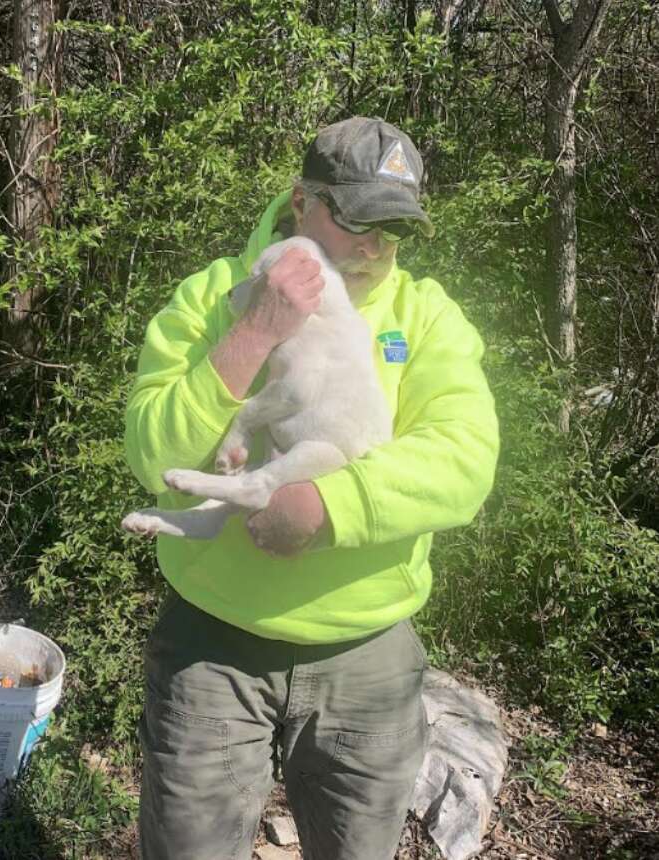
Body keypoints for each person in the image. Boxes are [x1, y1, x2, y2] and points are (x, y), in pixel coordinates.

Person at [125, 116, 500, 860]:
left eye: (394, 229)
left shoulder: (424, 318)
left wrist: (327, 505)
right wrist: (255, 330)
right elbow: (150, 453)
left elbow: (465, 460)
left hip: (368, 660)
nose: (373, 248)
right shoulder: (212, 296)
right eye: (358, 218)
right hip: (213, 651)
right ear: (303, 201)